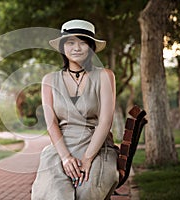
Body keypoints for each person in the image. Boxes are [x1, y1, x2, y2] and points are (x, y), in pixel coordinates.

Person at [31, 19, 119, 200]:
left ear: (91, 47)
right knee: (54, 190)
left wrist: (87, 159)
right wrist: (65, 158)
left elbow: (105, 122)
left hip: (96, 145)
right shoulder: (49, 80)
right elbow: (51, 123)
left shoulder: (104, 75)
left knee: (87, 190)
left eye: (83, 42)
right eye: (70, 42)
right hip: (61, 148)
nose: (76, 48)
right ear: (63, 47)